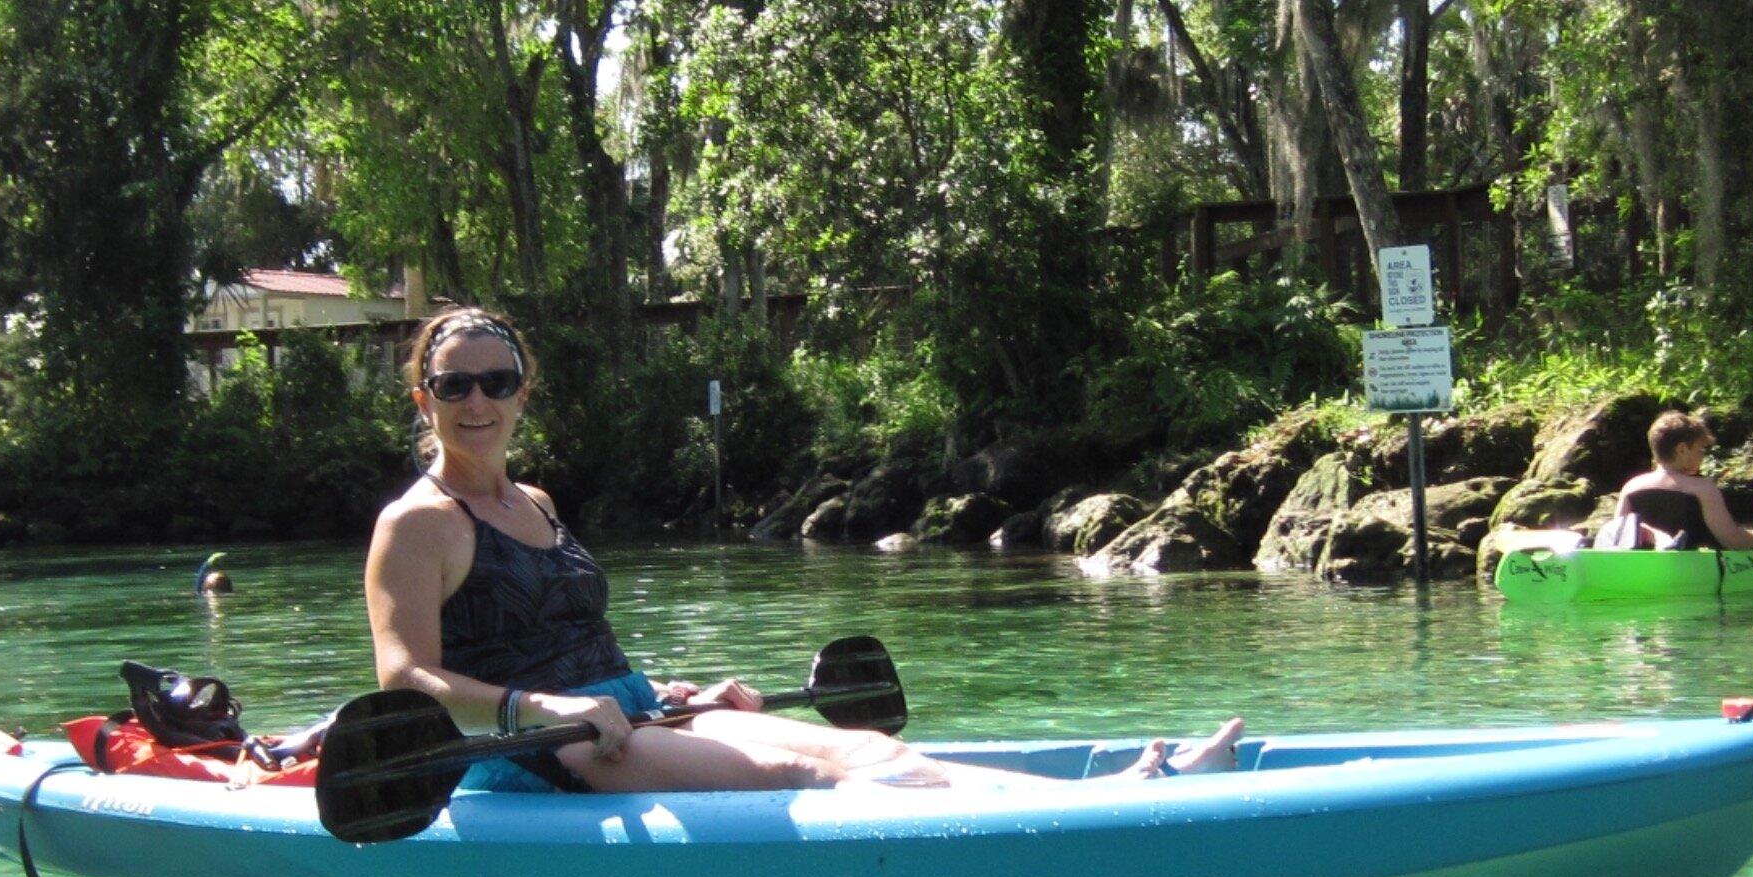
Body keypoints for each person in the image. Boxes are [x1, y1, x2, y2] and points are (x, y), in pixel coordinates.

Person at [363, 305, 1239, 794]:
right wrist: (545, 710)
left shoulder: (537, 502)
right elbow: (407, 683)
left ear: (524, 392)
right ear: (423, 397)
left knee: (873, 748)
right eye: (456, 385)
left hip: (628, 713)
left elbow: (570, 636)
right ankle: (1126, 804)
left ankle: (1112, 793)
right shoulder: (417, 523)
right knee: (851, 767)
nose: (479, 400)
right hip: (536, 752)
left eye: (498, 381)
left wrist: (675, 692)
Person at [1599, 410, 1753, 551]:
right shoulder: (1702, 488)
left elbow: (1619, 539)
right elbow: (1734, 541)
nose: (1702, 455)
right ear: (1682, 450)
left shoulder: (1631, 486)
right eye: (1700, 449)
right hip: (1691, 571)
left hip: (1642, 571)